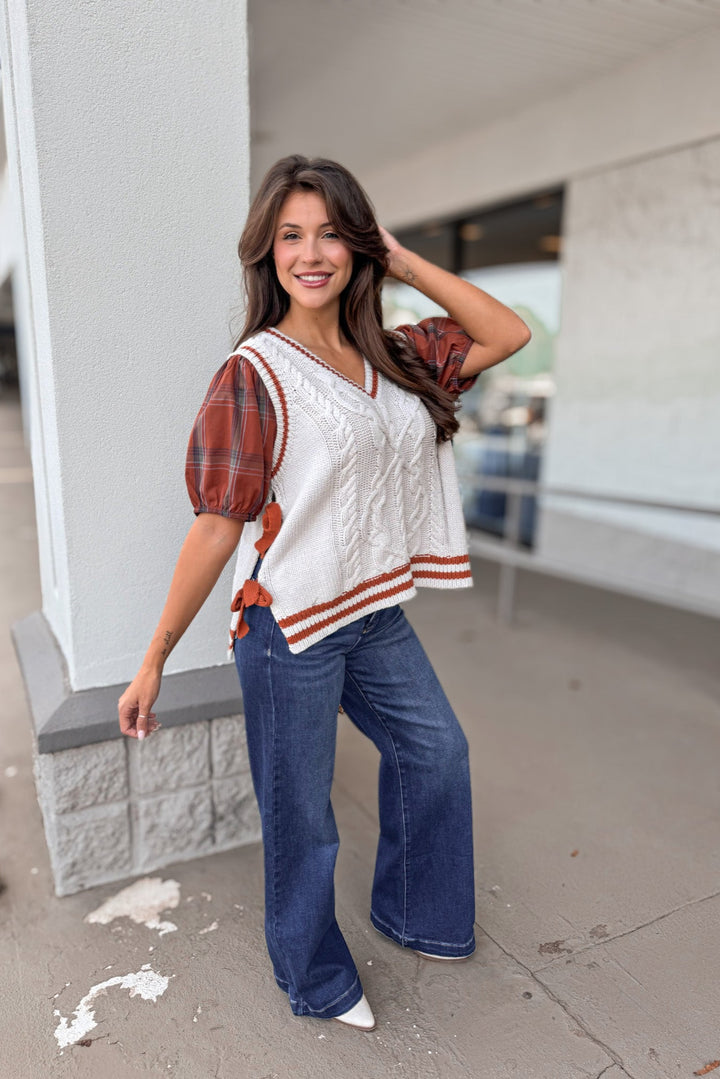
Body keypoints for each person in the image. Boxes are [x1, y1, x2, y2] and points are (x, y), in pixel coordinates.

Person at [118, 155, 531, 1031]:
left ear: (358, 246)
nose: (312, 253)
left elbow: (506, 334)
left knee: (437, 753)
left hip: (373, 612)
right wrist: (152, 657)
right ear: (267, 254)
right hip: (287, 625)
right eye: (291, 236)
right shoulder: (255, 372)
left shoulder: (394, 351)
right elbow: (217, 526)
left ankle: (414, 910)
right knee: (302, 815)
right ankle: (314, 974)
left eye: (332, 234)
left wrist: (403, 258)